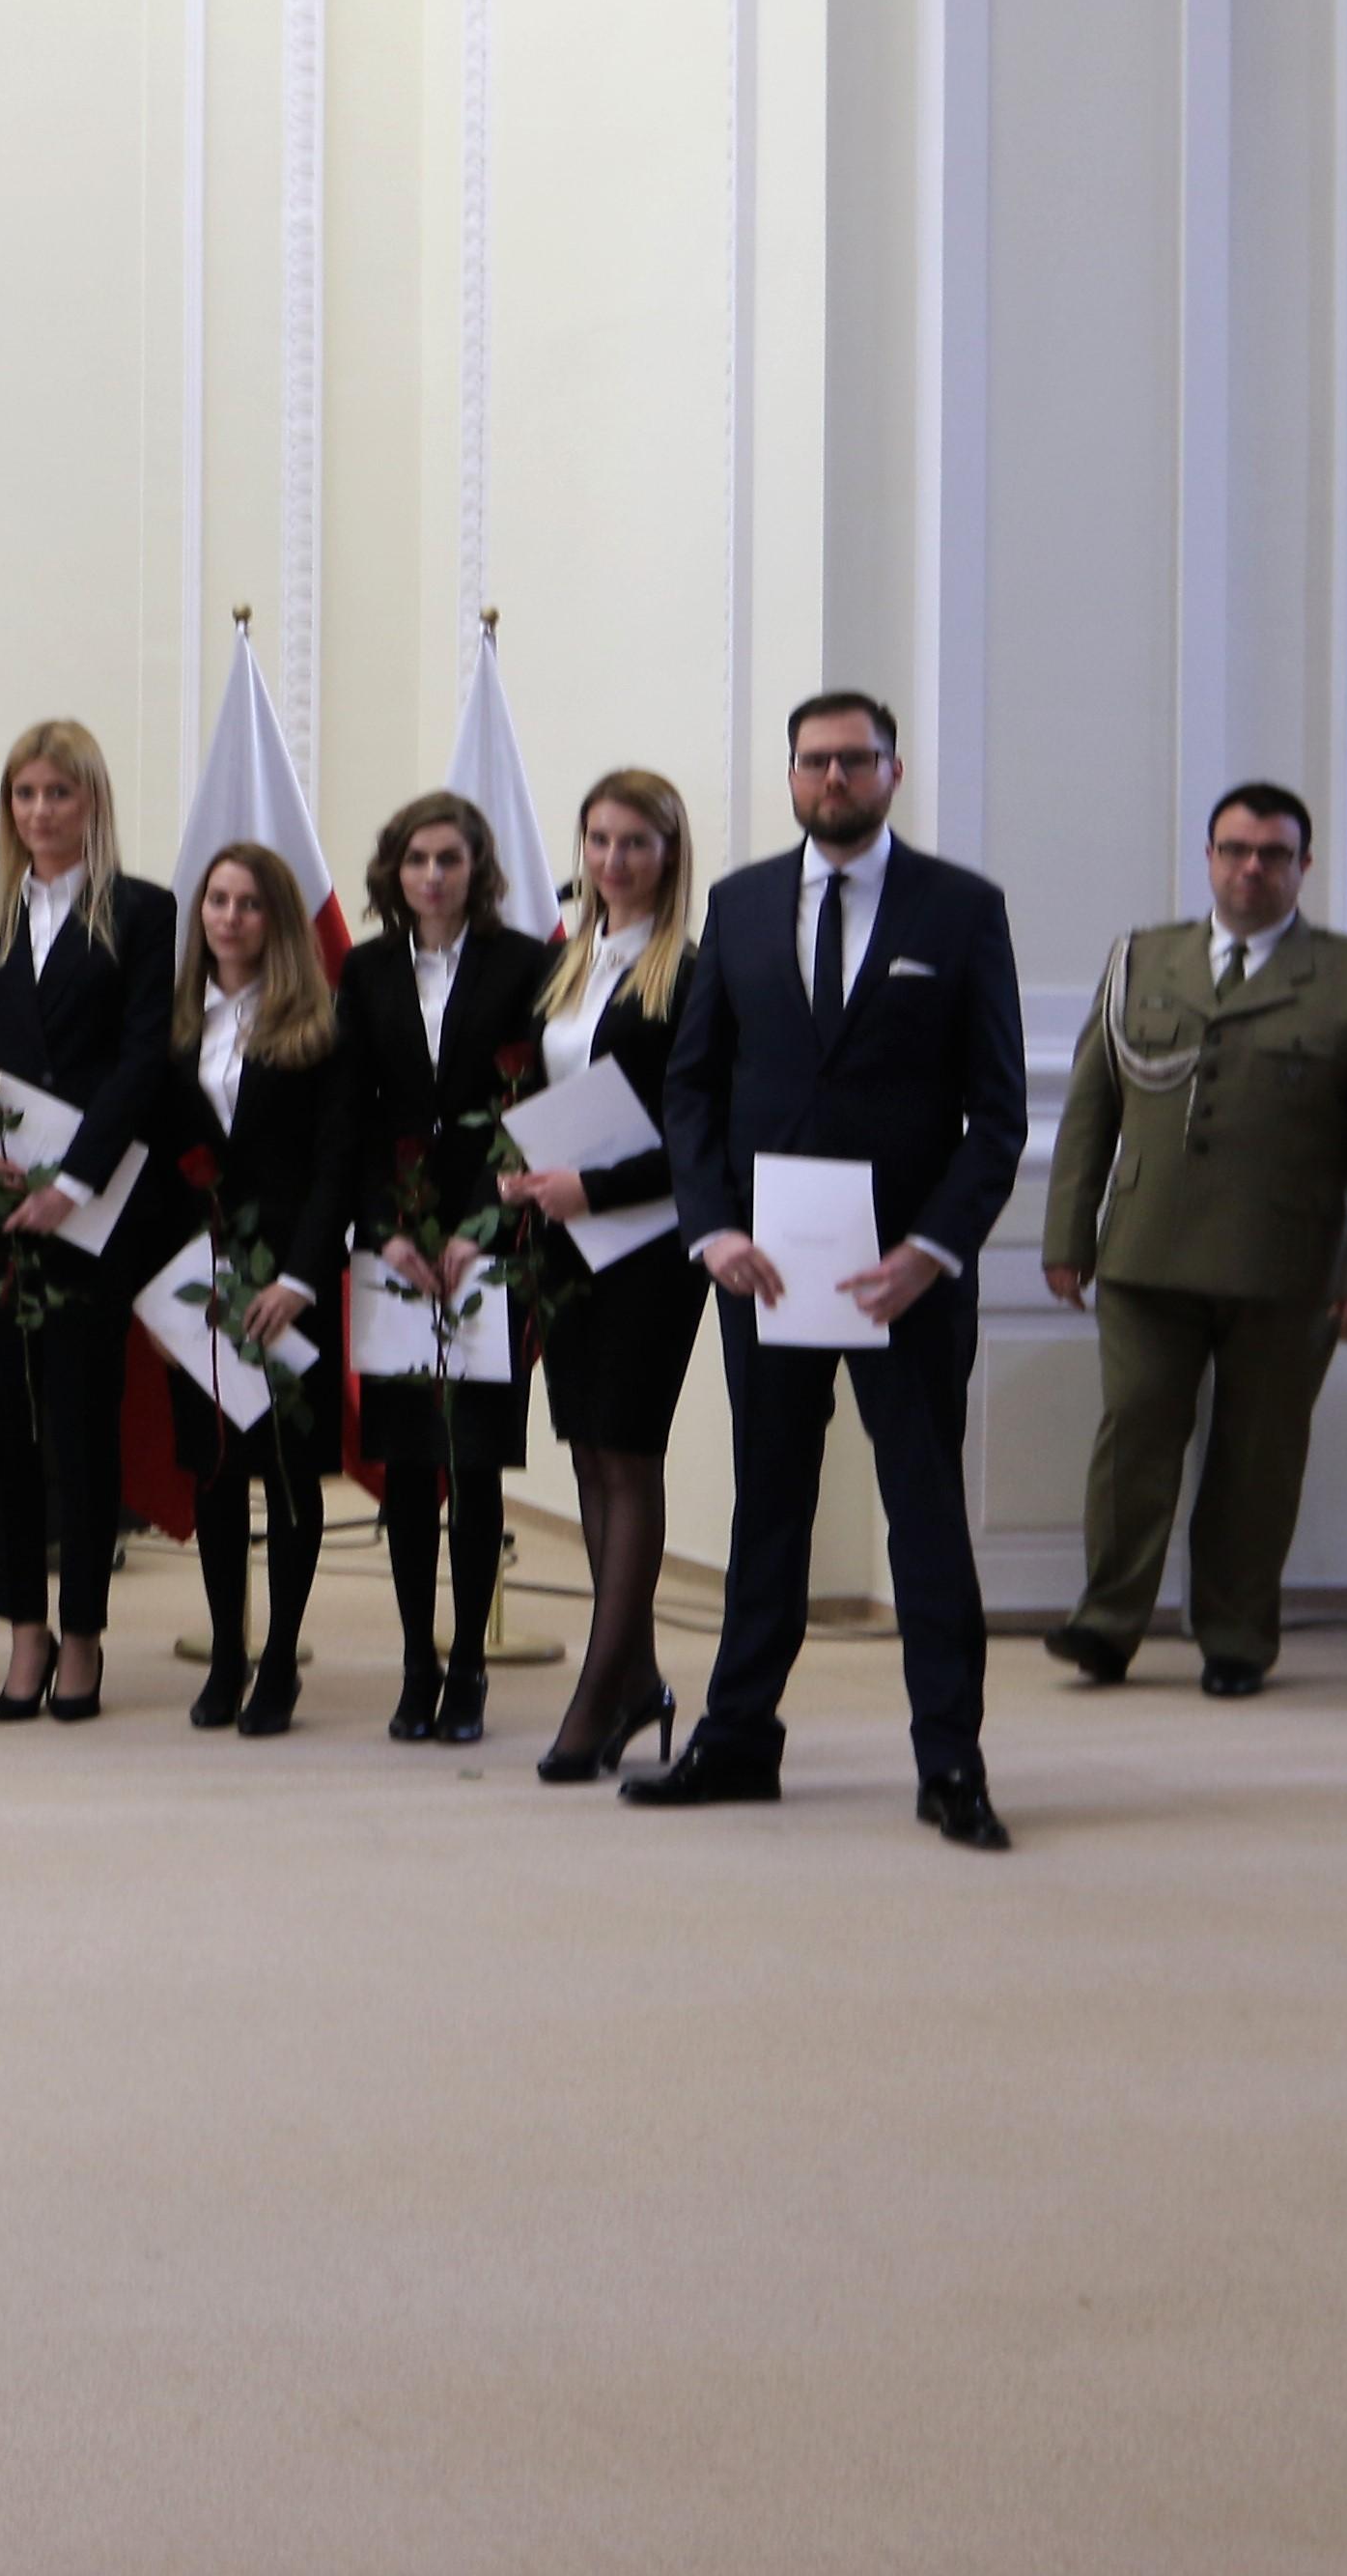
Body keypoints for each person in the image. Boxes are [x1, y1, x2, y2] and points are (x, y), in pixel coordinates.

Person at [631, 690, 1027, 1850]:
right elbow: (691, 1086)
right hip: (764, 1271)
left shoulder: (961, 908)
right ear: (792, 774)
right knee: (767, 1507)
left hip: (906, 1276)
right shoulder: (741, 902)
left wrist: (930, 1250)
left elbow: (997, 1113)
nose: (834, 779)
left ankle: (950, 1764)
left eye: (856, 759)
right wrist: (711, 1229)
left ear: (893, 771)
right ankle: (736, 1742)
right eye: (814, 761)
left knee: (924, 1520)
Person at [1038, 781, 1347, 1696]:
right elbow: (1092, 1106)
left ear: (1304, 866)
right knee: (1134, 1435)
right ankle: (1106, 1624)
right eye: (1236, 851)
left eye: (1274, 854)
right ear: (1209, 857)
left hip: (1285, 1263)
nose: (1252, 869)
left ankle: (1237, 1637)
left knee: (1258, 1455)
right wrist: (1067, 1234)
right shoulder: (1141, 959)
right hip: (1145, 1251)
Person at [0, 717, 176, 1723]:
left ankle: (81, 1636)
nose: (39, 810)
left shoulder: (143, 910)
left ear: (91, 801)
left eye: (57, 793)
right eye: (24, 794)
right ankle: (22, 1630)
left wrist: (72, 1182)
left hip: (89, 1202)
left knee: (78, 1419)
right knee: (2, 1419)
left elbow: (143, 1059)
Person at [499, 770, 711, 1782]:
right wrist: (528, 1171)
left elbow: (699, 1129)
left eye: (634, 842)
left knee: (628, 1456)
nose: (613, 860)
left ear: (669, 855)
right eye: (598, 840)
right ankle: (636, 1678)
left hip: (651, 1242)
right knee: (587, 1453)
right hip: (566, 1239)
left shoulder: (692, 973)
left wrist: (595, 1184)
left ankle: (598, 1694)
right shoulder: (565, 962)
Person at [334, 788, 553, 1744]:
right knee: (408, 1468)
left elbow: (533, 1105)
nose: (431, 875)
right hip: (395, 1248)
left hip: (487, 1245)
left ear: (477, 869)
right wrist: (383, 1228)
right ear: (394, 870)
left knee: (474, 1464)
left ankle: (468, 1667)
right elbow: (351, 1114)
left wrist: (480, 1227)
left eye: (448, 859)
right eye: (416, 859)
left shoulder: (525, 964)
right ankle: (415, 1664)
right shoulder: (365, 968)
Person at [127, 842, 348, 1737]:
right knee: (216, 1470)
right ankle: (227, 1657)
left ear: (278, 920)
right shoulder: (175, 1026)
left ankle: (280, 1664)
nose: (229, 917)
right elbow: (151, 1170)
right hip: (200, 1287)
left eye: (249, 903)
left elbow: (335, 1168)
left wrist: (299, 1279)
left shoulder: (318, 1029)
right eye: (216, 901)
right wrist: (157, 1292)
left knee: (288, 1474)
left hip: (289, 1284)